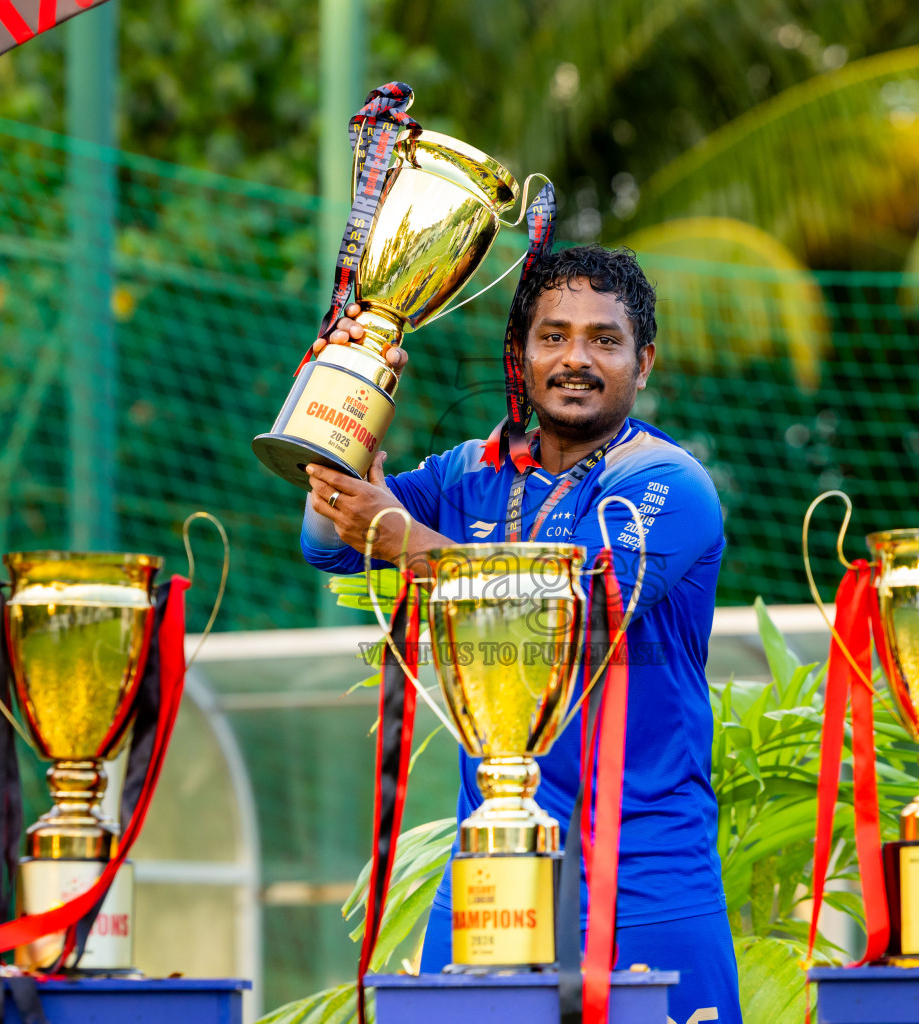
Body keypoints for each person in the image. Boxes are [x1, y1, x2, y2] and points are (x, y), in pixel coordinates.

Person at [300, 245, 739, 1024]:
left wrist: (406, 540)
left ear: (644, 363)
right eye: (553, 335)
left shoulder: (670, 485)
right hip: (487, 872)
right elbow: (328, 535)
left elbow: (577, 599)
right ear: (520, 355)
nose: (576, 358)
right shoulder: (467, 473)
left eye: (604, 339)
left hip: (643, 878)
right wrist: (351, 380)